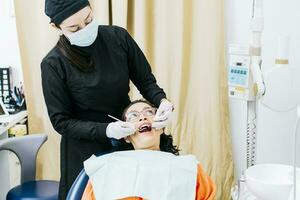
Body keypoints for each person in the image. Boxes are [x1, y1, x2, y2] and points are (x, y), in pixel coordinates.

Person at [41, 1, 174, 199]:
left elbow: (146, 82)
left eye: (89, 20)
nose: (85, 29)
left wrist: (162, 101)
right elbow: (61, 122)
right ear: (56, 27)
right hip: (84, 150)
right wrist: (107, 130)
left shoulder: (118, 38)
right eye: (75, 28)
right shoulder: (53, 64)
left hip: (126, 139)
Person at [81, 100, 216, 200]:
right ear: (126, 137)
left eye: (149, 112)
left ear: (161, 126)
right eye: (133, 116)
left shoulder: (189, 168)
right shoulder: (106, 168)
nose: (142, 117)